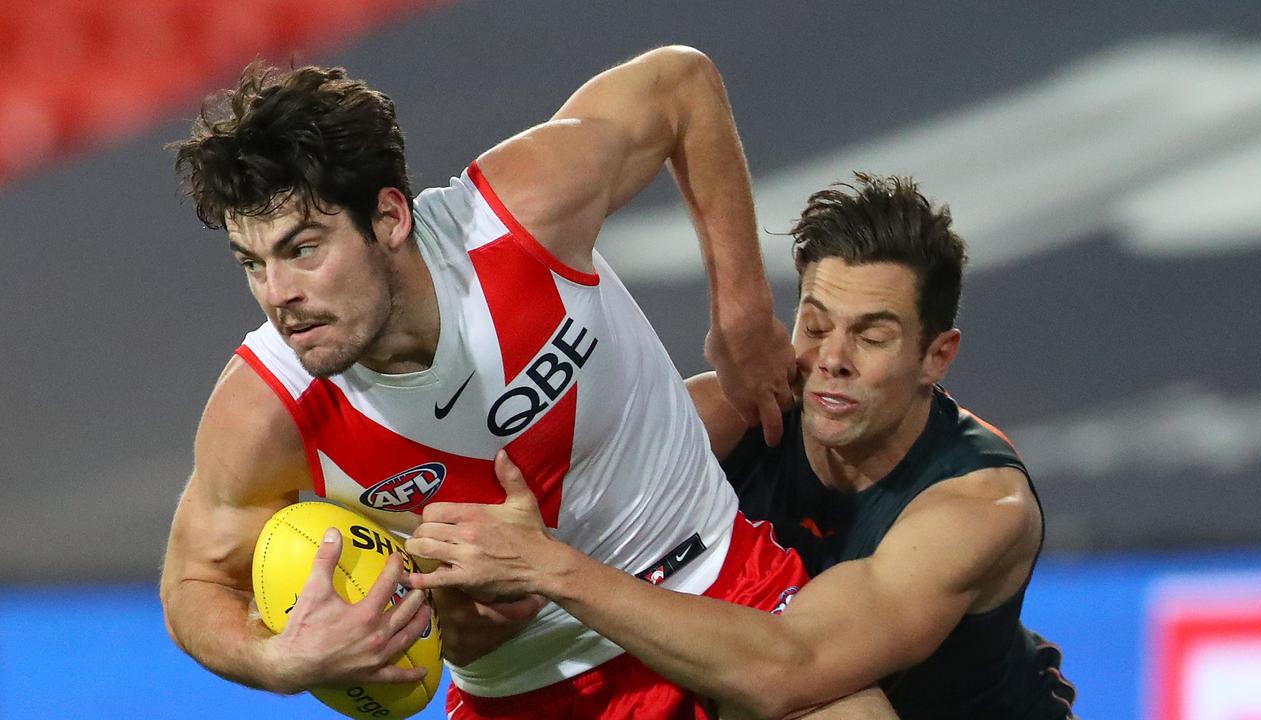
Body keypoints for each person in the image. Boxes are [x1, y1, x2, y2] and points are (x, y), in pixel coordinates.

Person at [158, 46, 847, 720]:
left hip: (721, 591)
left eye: (302, 249)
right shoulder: (266, 409)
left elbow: (680, 86)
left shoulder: (517, 219)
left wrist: (744, 313)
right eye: (252, 263)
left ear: (390, 218)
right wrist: (281, 664)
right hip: (529, 692)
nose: (279, 295)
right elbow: (195, 577)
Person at [406, 173, 1078, 719]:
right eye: (815, 325)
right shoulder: (734, 414)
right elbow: (521, 522)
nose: (831, 360)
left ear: (937, 356)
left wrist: (548, 568)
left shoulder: (979, 505)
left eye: (872, 338)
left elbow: (791, 669)